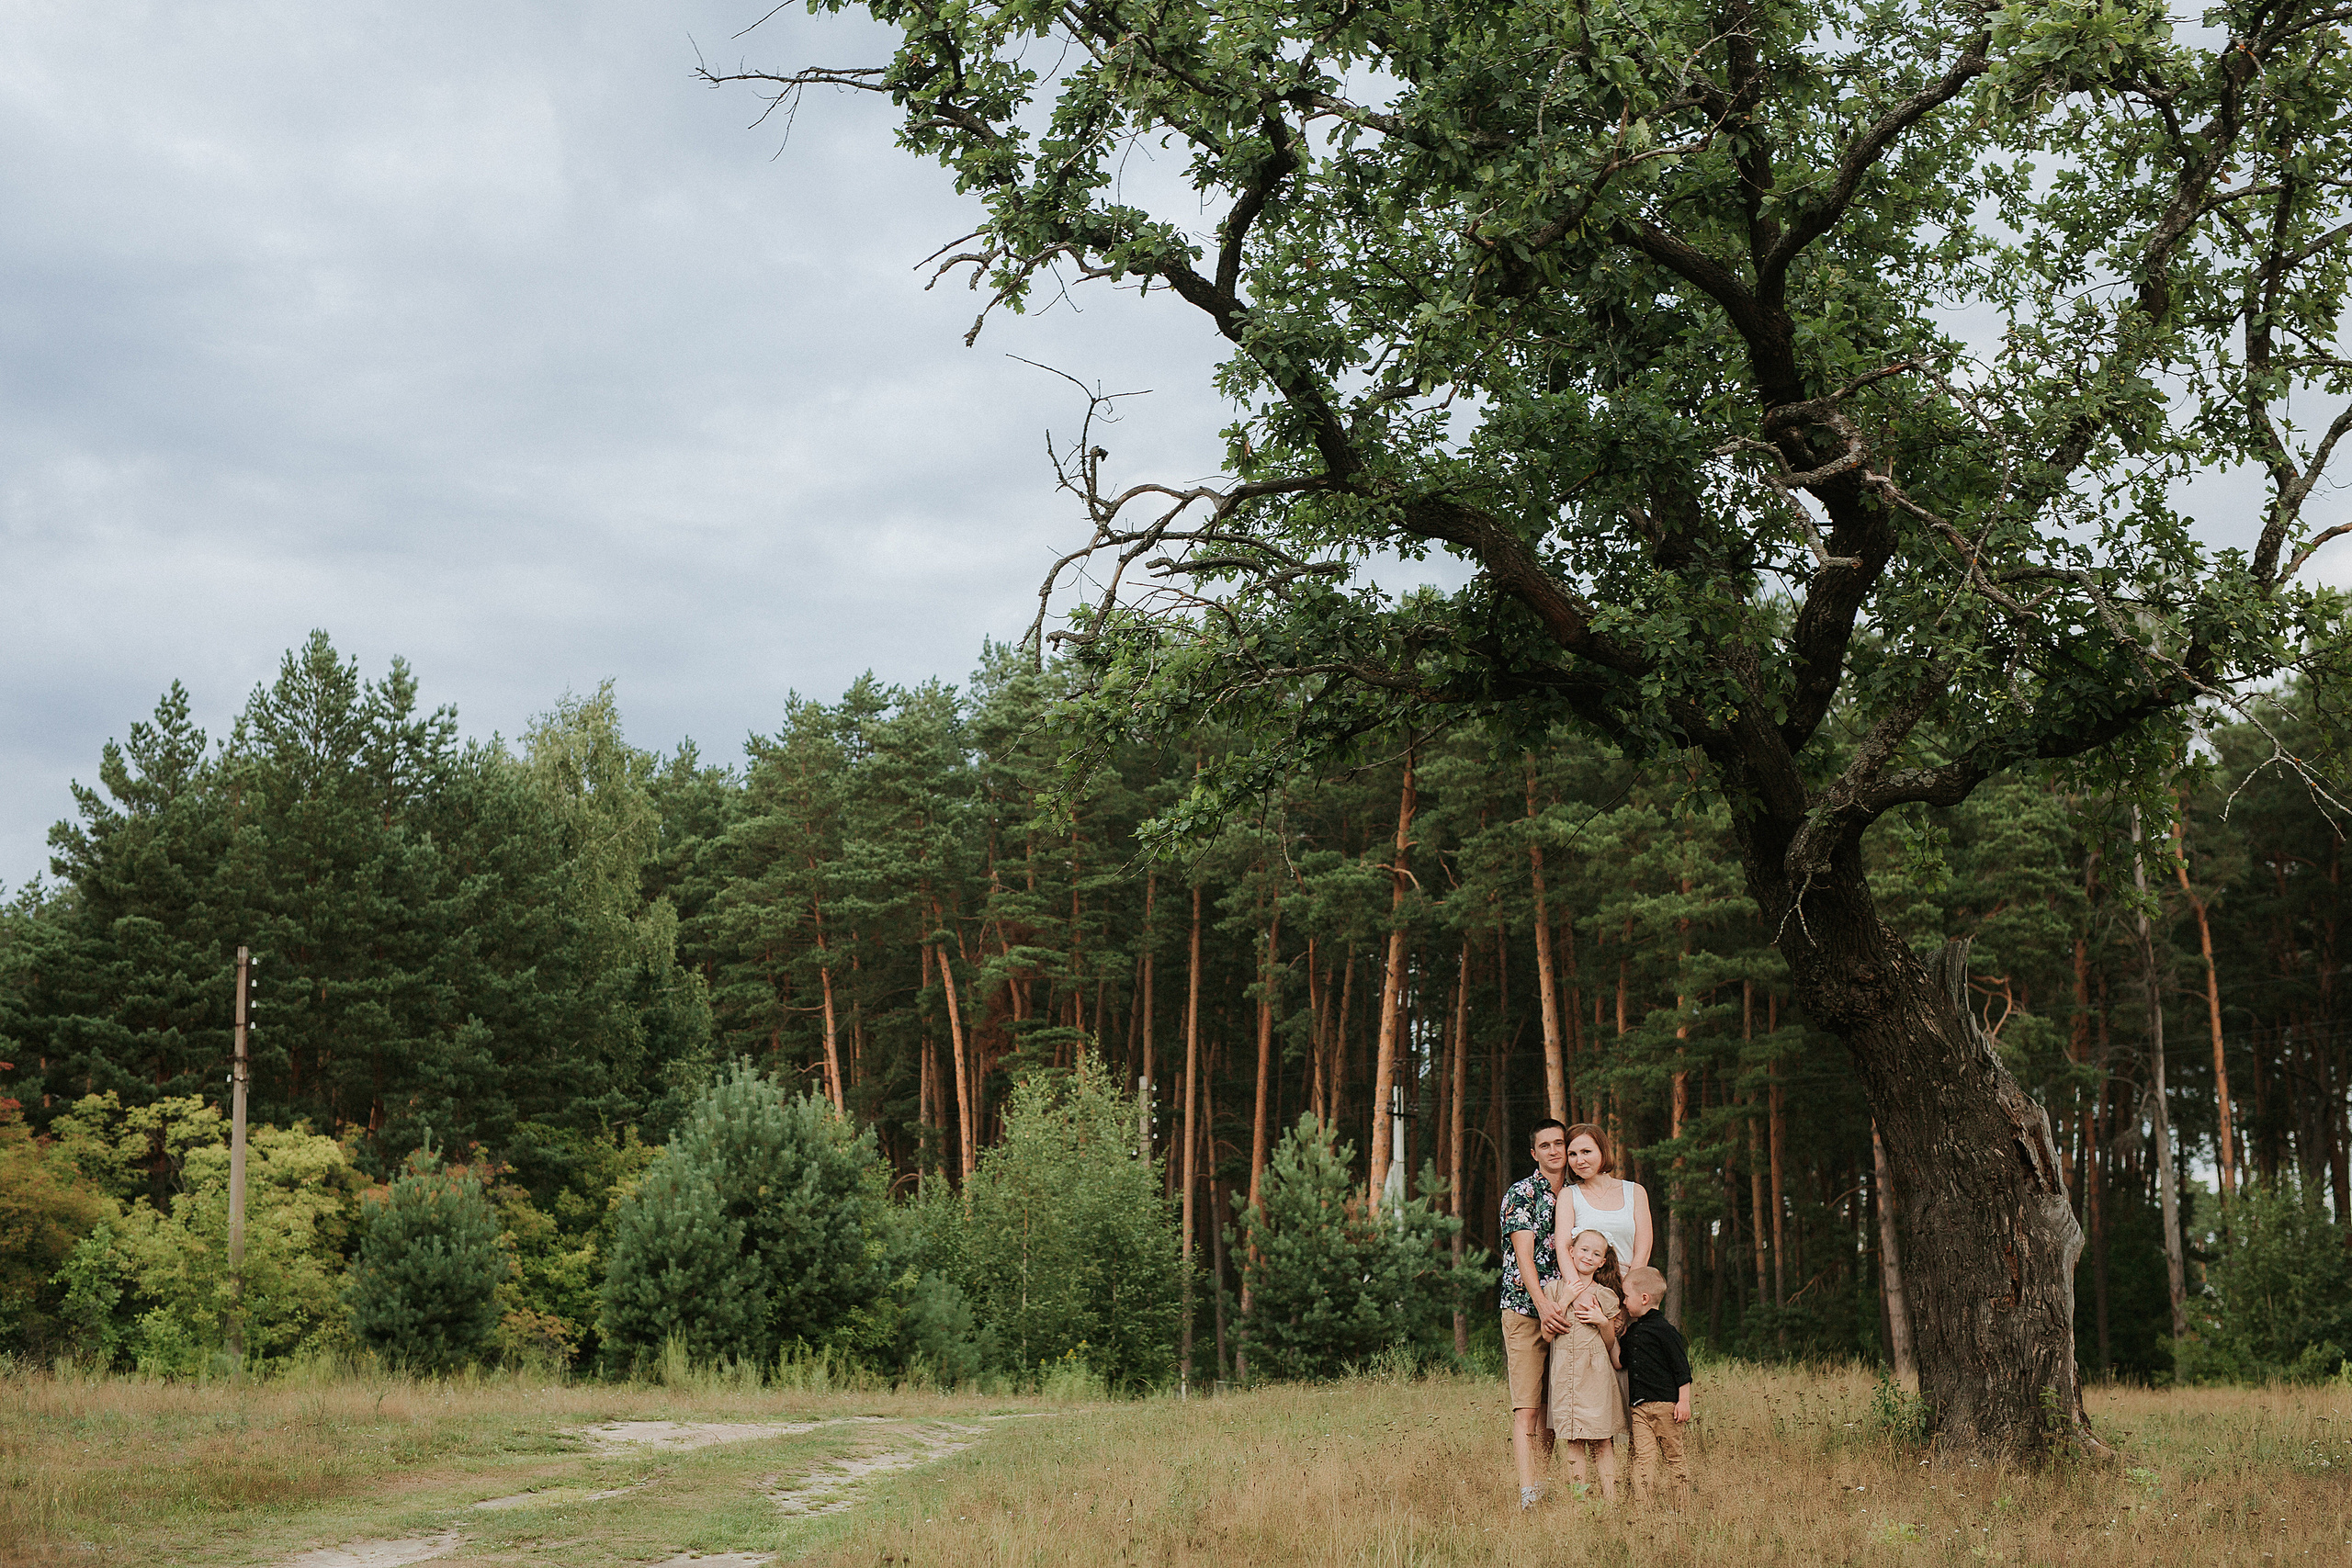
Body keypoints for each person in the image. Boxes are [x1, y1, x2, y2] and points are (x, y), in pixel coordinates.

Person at [1499, 1119, 1570, 1510]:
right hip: (1528, 1311)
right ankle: (1530, 1493)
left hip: (1568, 1312)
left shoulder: (1577, 1194)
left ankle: (1547, 1482)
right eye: (1546, 1145)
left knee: (1557, 1407)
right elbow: (1524, 1257)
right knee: (1528, 1407)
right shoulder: (1522, 1193)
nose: (1555, 1151)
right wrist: (1543, 1307)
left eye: (1560, 1143)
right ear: (1534, 1152)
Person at [1544, 1228, 1626, 1502]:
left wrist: (1603, 1321)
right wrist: (1565, 1300)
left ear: (1603, 1261)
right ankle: (1579, 1500)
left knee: (1602, 1440)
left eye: (1596, 1254)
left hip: (1595, 1375)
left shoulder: (1604, 1295)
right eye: (1583, 1250)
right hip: (1566, 1375)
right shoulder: (1554, 1289)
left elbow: (1608, 1342)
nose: (1588, 1257)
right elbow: (1546, 1335)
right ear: (1570, 1251)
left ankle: (1611, 1499)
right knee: (1574, 1440)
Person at [1619, 1264, 1694, 1505]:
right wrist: (1606, 1332)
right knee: (1643, 1458)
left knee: (1674, 1456)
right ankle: (1644, 1508)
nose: (1623, 1302)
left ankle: (1682, 1504)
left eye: (1626, 1296)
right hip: (1639, 1408)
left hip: (1666, 1407)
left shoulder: (1665, 1331)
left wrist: (1683, 1402)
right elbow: (1620, 1362)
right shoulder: (1631, 1332)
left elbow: (1682, 1369)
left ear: (1644, 1298)